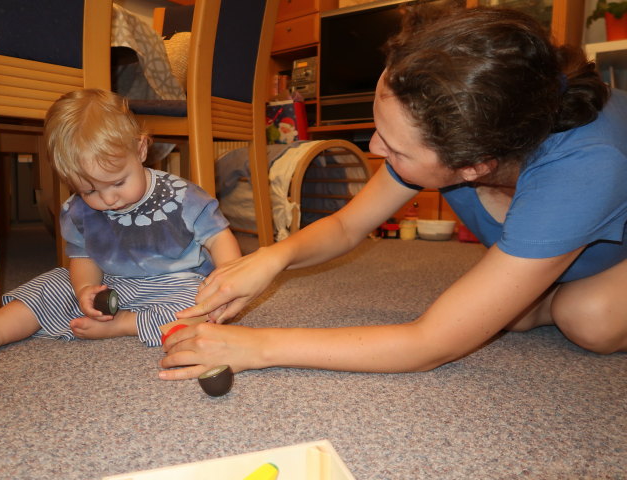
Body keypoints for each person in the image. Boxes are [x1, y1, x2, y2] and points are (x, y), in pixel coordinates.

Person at [158, 5, 627, 380]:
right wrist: (271, 258)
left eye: (397, 150)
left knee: (590, 318)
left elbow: (429, 344)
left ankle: (551, 291)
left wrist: (259, 347)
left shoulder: (582, 169)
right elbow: (346, 225)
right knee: (506, 312)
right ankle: (539, 287)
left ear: (472, 166)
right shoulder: (461, 127)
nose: (377, 149)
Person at [0, 89, 241, 355]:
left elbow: (218, 238)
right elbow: (83, 257)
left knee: (202, 307)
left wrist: (228, 285)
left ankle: (126, 324)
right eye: (90, 191)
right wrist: (86, 288)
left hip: (177, 283)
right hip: (111, 282)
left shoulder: (183, 196)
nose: (108, 199)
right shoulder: (78, 211)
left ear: (141, 149)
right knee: (53, 285)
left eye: (118, 182)